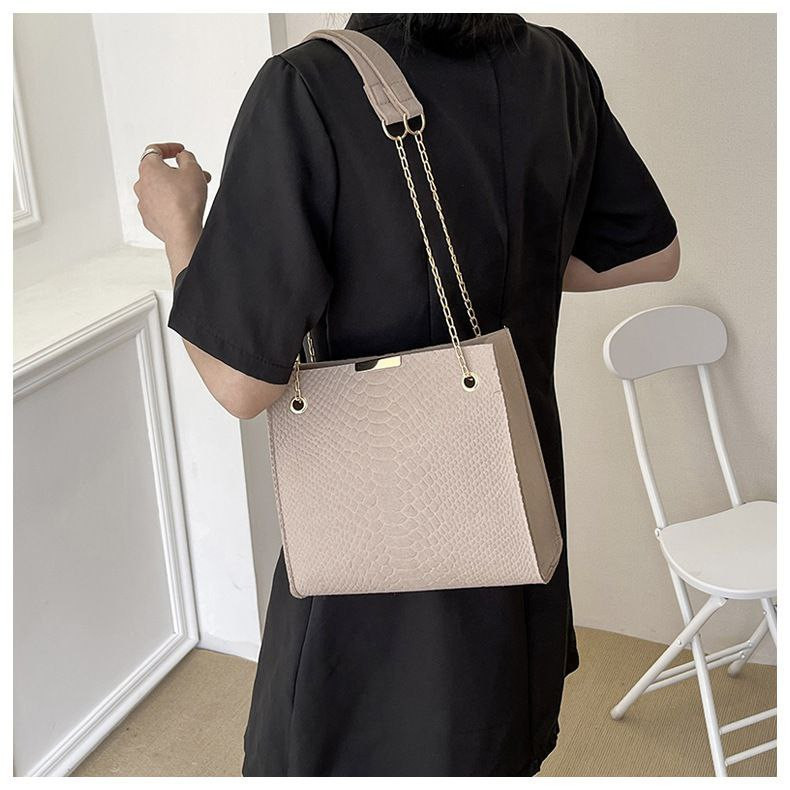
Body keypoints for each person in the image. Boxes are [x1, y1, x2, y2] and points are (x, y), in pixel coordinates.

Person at [133, 13, 680, 777]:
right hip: (512, 530)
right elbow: (648, 255)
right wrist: (504, 263)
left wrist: (179, 230)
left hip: (371, 565)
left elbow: (239, 380)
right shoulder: (556, 66)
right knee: (490, 745)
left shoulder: (308, 88)